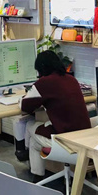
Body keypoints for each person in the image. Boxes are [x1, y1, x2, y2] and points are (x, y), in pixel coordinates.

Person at [17, 50, 91, 180]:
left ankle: (25, 155)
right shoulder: (71, 79)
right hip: (83, 139)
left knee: (29, 124)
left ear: (42, 69)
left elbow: (25, 106)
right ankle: (34, 172)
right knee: (35, 141)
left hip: (65, 141)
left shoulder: (44, 83)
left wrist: (21, 99)